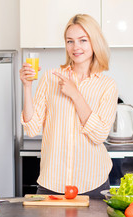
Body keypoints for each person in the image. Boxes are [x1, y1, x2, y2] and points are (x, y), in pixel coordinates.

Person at [19, 14, 118, 198]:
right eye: (70, 41)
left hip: (93, 183)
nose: (76, 47)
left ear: (94, 42)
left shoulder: (107, 85)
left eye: (82, 40)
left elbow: (99, 135)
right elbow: (31, 129)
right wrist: (27, 86)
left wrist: (75, 94)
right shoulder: (51, 78)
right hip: (52, 183)